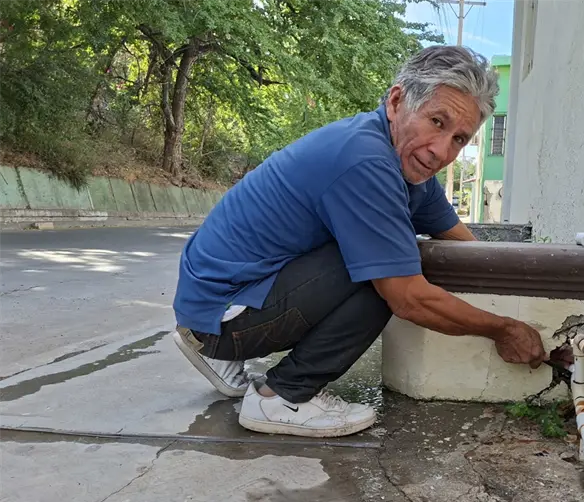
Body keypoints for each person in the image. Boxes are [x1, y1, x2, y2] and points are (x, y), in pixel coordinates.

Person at [172, 45, 547, 438]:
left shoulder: (408, 162)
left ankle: (219, 351)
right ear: (397, 101)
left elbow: (463, 244)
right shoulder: (366, 161)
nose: (441, 151)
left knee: (390, 259)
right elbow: (409, 298)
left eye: (458, 139)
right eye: (437, 121)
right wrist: (502, 328)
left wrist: (504, 294)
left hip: (214, 302)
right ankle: (281, 397)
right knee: (385, 277)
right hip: (221, 315)